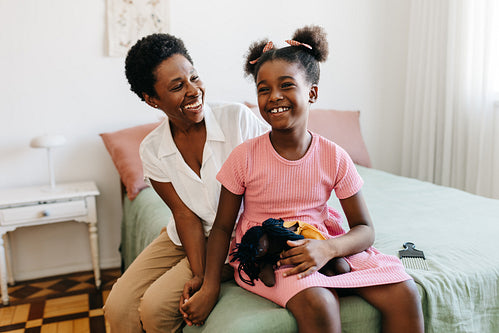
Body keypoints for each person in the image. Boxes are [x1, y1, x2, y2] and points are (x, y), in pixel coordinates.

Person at [180, 26, 425, 333]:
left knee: (406, 292)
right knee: (319, 303)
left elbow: (365, 229)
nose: (274, 97)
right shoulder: (244, 156)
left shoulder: (334, 156)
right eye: (263, 89)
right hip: (271, 251)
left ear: (312, 93)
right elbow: (222, 228)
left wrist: (329, 249)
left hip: (322, 243)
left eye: (286, 85)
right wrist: (210, 285)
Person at [103, 33, 269, 333]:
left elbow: (273, 184)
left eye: (194, 77)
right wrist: (202, 274)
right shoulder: (152, 149)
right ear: (152, 100)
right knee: (118, 305)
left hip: (239, 234)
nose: (194, 91)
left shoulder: (238, 119)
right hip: (186, 234)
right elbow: (184, 215)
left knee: (155, 309)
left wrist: (209, 281)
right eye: (178, 86)